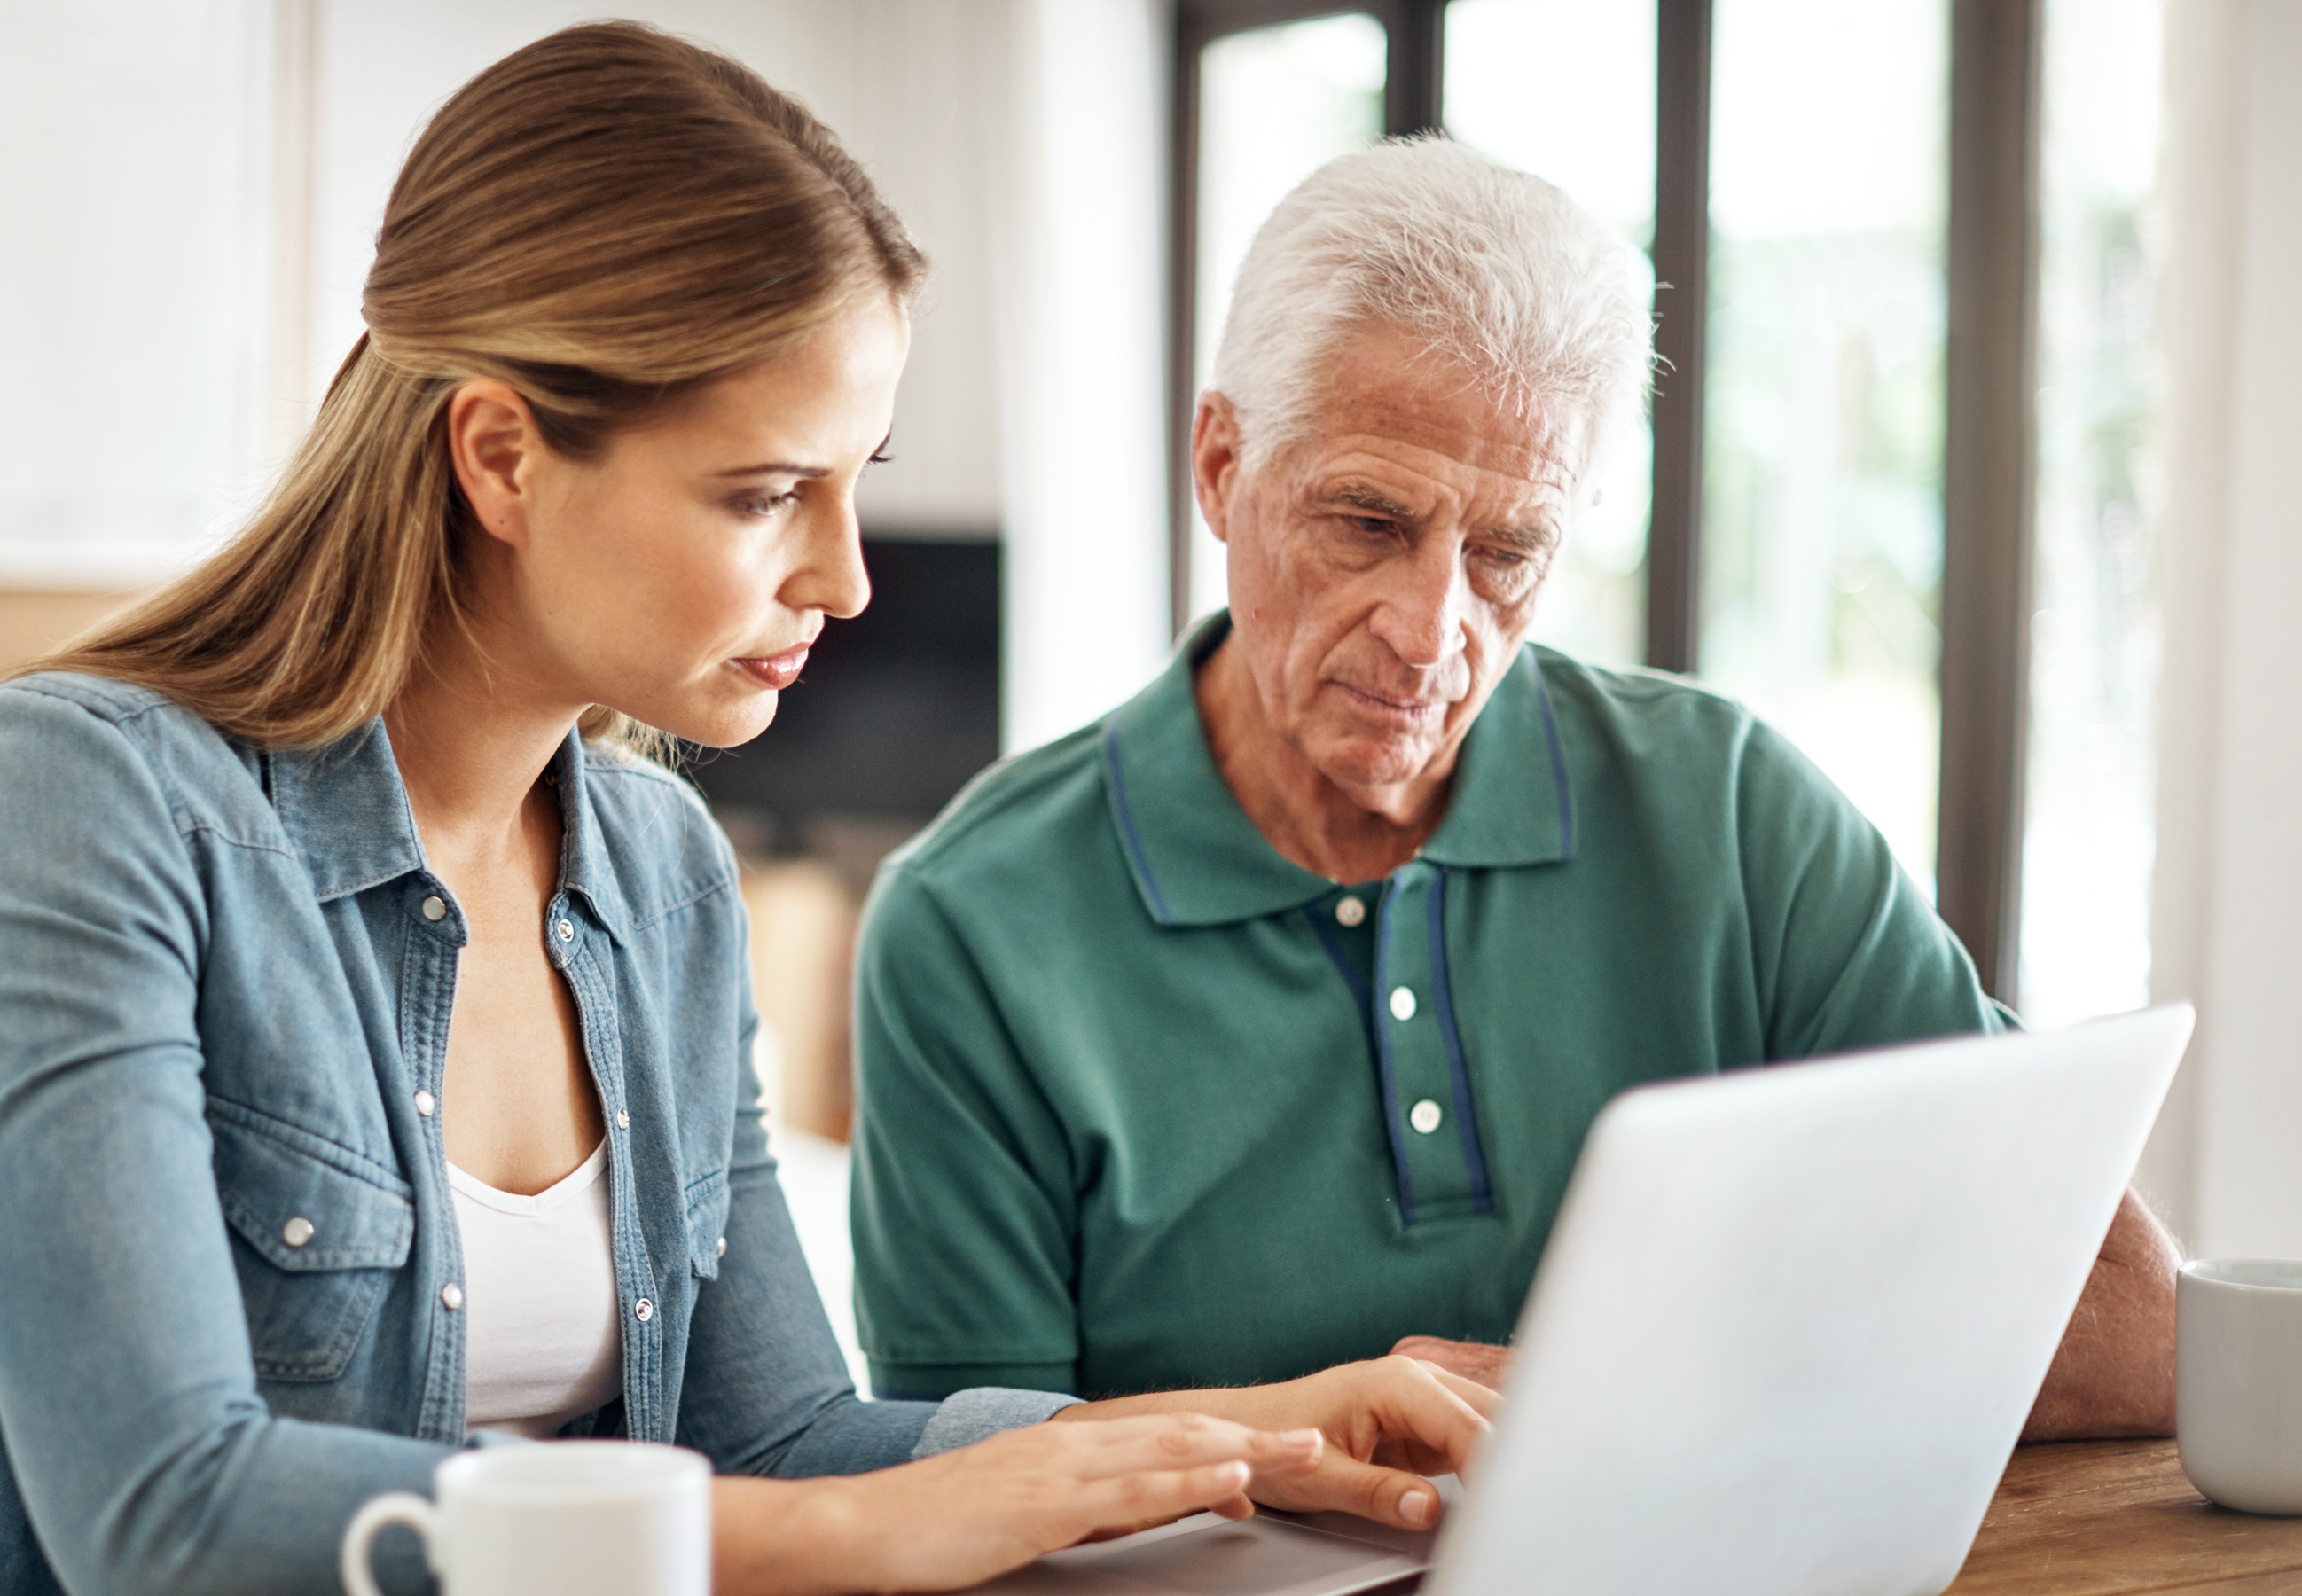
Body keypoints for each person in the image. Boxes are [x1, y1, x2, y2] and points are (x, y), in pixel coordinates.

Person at [0, 27, 1496, 1596]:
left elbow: (784, 1438)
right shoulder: (88, 794)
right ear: (500, 456)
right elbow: (161, 1514)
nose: (844, 577)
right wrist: (869, 1541)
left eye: (857, 479)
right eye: (767, 492)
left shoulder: (658, 871)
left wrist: (1253, 1431)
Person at [849, 139, 2180, 1436]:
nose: (1433, 633)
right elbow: (967, 1491)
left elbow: (2134, 1326)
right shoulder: (971, 927)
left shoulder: (1735, 814)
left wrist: (1589, 1397)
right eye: (1369, 522)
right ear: (1220, 467)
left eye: (1510, 550)